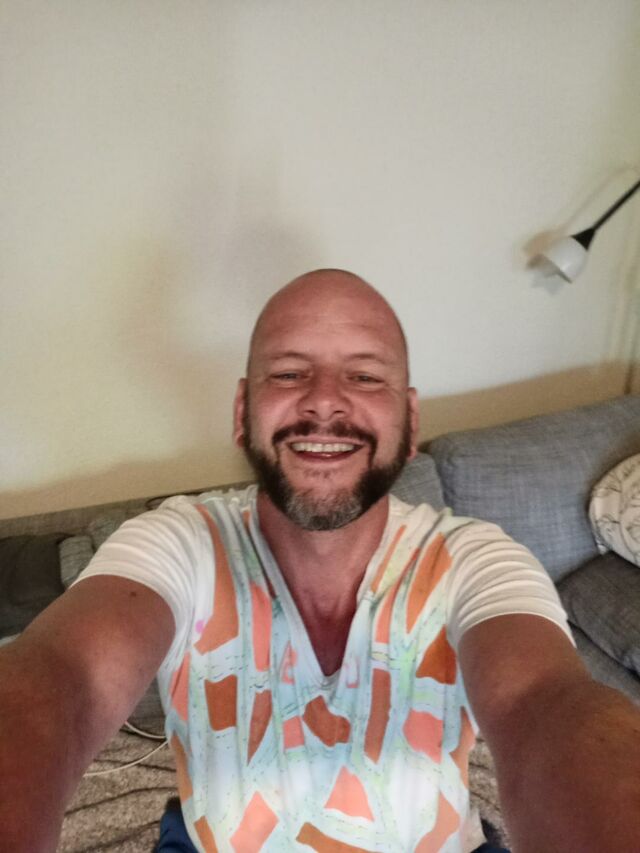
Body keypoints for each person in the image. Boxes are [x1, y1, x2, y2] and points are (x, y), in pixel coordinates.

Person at [1, 270, 639, 853]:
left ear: (409, 421)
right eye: (287, 374)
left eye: (365, 377)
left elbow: (546, 707)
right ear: (243, 413)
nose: (325, 402)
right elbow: (61, 680)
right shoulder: (178, 541)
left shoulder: (476, 559)